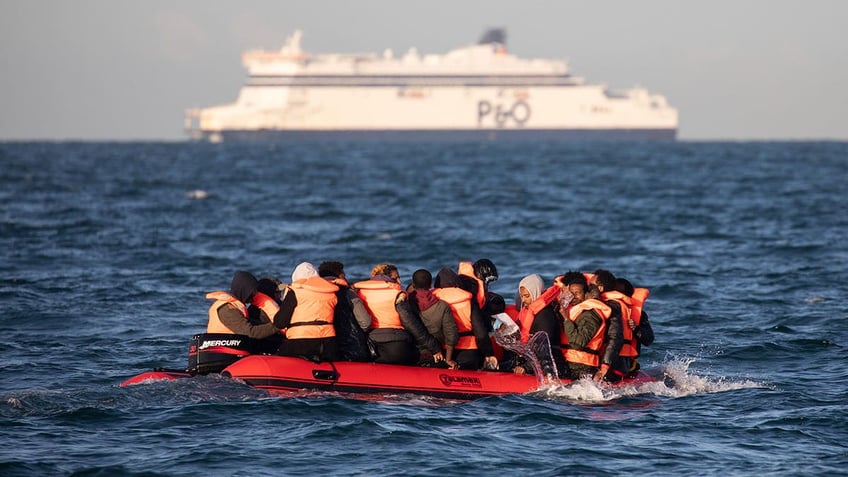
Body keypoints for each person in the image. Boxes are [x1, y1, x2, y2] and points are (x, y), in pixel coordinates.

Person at [354, 263, 444, 365]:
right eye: (396, 278)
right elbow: (411, 323)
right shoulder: (397, 295)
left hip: (370, 348)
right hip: (398, 348)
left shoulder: (359, 293)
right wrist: (434, 348)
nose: (399, 282)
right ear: (386, 278)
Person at [432, 268, 497, 370]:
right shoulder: (468, 300)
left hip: (444, 351)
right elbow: (480, 333)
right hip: (469, 351)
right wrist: (488, 354)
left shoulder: (433, 300)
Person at [274, 264, 341, 362]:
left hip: (299, 344)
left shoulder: (295, 292)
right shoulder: (331, 292)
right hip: (328, 343)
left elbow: (279, 322)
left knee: (278, 358)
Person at [512, 274, 569, 378]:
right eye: (522, 296)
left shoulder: (545, 315)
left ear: (536, 292)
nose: (523, 300)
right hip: (534, 363)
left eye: (527, 296)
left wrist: (526, 367)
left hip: (551, 368)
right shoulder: (529, 312)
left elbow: (544, 349)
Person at [557, 272, 611, 379]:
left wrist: (566, 319)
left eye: (577, 293)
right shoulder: (574, 310)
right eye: (571, 293)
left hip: (582, 367)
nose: (573, 297)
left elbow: (578, 343)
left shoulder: (591, 315)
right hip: (570, 363)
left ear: (586, 294)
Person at [317, 260, 373, 362]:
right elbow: (365, 322)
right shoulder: (348, 293)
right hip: (351, 348)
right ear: (341, 275)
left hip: (323, 348)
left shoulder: (314, 294)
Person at [205, 271, 282, 339]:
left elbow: (251, 325)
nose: (255, 294)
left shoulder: (236, 307)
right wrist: (279, 325)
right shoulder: (227, 309)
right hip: (223, 349)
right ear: (244, 290)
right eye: (253, 291)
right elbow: (250, 332)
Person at [409, 269, 459, 369]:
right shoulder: (442, 306)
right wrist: (448, 359)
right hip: (437, 353)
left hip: (411, 351)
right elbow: (451, 335)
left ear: (413, 285)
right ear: (431, 284)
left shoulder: (405, 304)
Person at [591, 269, 628, 382]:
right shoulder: (600, 304)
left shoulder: (613, 307)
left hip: (614, 365)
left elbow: (615, 337)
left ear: (600, 288)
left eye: (591, 285)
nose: (588, 287)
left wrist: (605, 366)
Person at [616, 277, 654, 374]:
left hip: (627, 364)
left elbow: (648, 339)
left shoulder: (639, 315)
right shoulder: (598, 311)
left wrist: (636, 329)